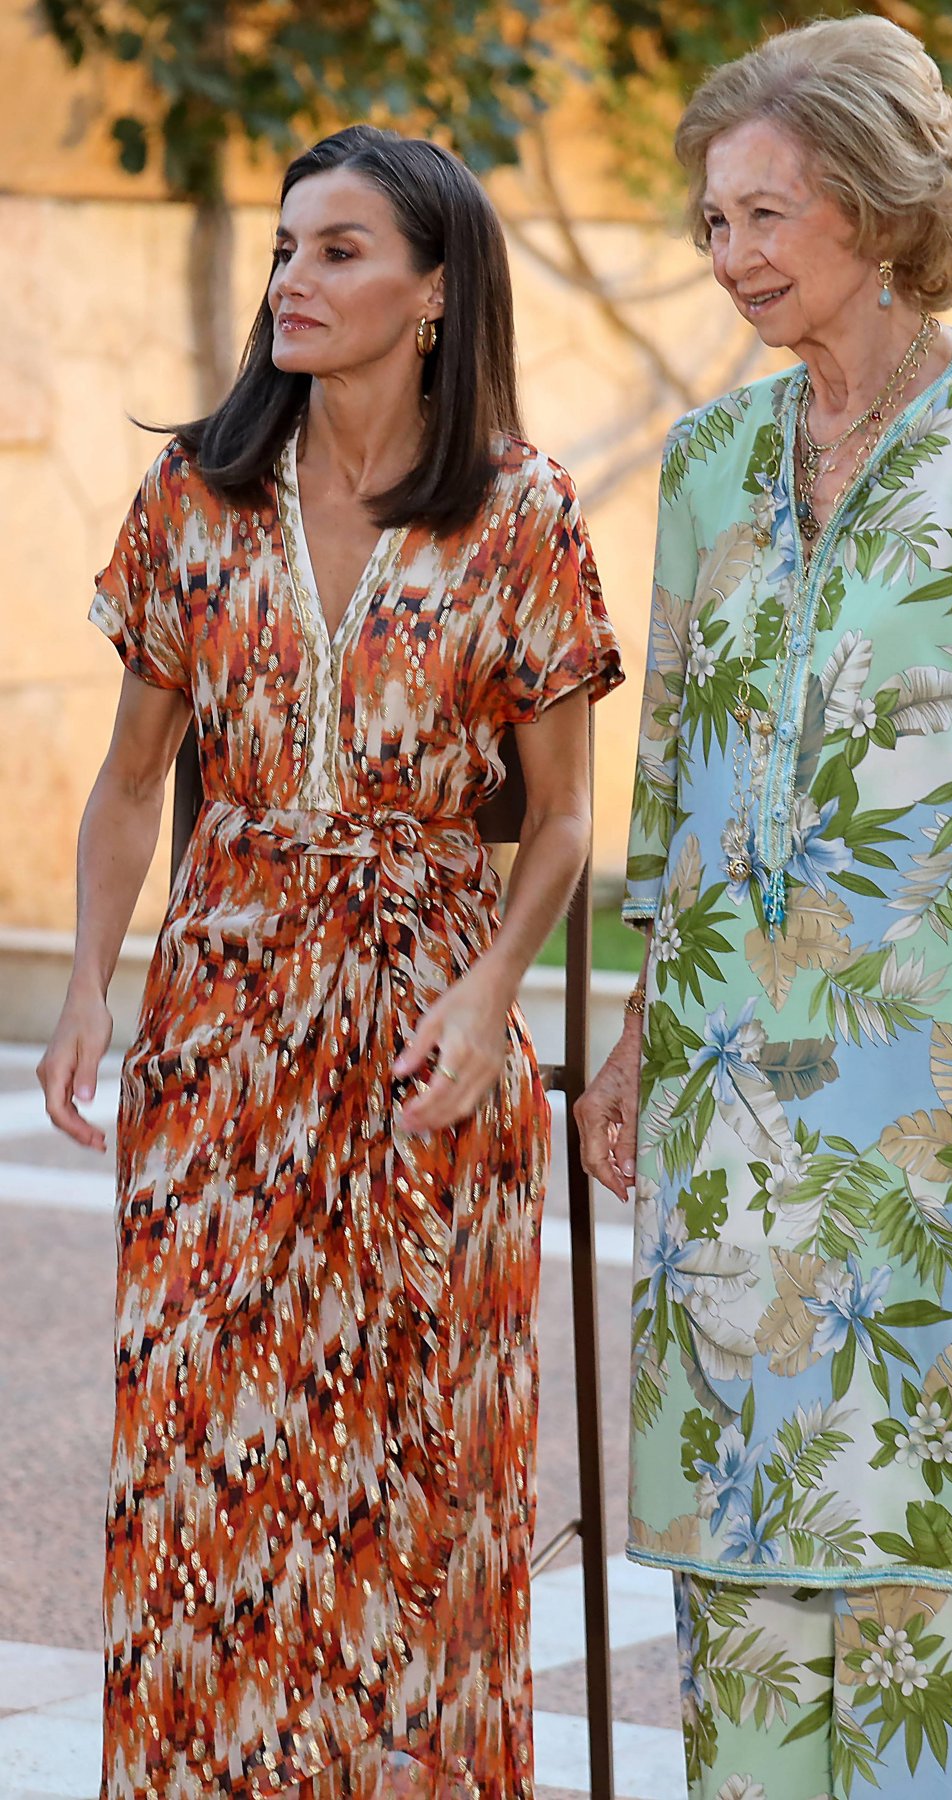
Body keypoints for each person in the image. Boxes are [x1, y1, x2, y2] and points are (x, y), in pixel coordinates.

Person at [576, 18, 952, 1799]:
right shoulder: (714, 463)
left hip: (937, 1104)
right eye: (715, 223)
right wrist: (632, 1037)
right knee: (743, 1538)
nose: (731, 255)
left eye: (765, 215)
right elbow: (673, 774)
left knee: (925, 1543)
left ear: (880, 215)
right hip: (734, 1089)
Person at [38, 125, 622, 1800]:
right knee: (209, 1450)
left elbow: (568, 824)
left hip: (433, 1030)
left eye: (341, 251)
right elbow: (135, 777)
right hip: (223, 1032)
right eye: (288, 249)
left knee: (420, 1457)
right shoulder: (195, 495)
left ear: (436, 293)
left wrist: (489, 990)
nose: (295, 280)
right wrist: (92, 984)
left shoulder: (523, 513)